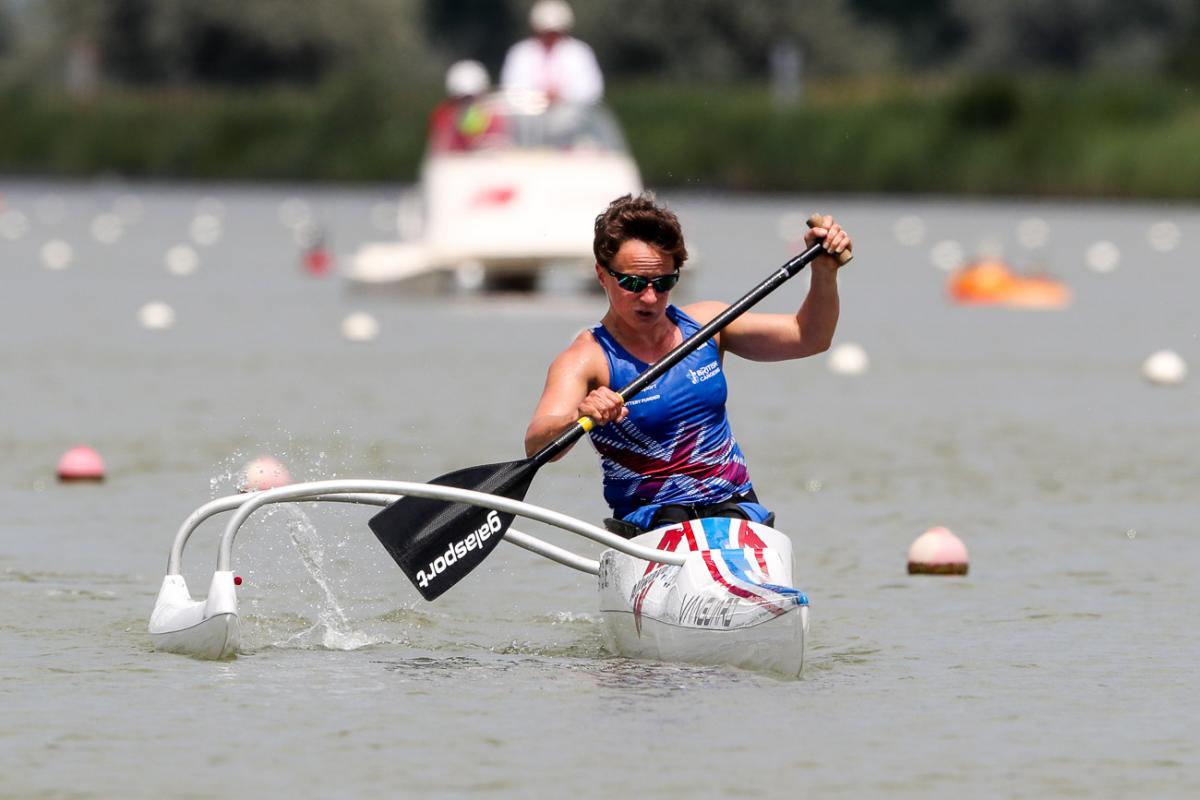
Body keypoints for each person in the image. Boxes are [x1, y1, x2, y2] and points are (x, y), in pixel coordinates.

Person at [524, 193, 852, 536]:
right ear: (602, 274)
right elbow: (536, 444)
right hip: (652, 524)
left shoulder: (708, 325)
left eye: (663, 283)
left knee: (732, 519)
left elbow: (809, 336)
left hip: (735, 510)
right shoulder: (586, 358)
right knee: (673, 518)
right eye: (633, 283)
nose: (650, 297)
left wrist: (824, 272)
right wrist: (580, 415)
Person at [500, 0, 603, 106]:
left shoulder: (579, 53)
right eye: (545, 32)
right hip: (529, 116)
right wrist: (540, 98)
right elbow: (512, 91)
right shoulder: (521, 53)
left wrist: (561, 96)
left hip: (573, 115)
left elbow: (591, 91)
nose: (550, 37)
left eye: (555, 33)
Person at [427, 60, 506, 153]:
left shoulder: (495, 117)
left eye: (471, 98)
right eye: (462, 98)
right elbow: (439, 150)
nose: (468, 104)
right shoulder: (443, 117)